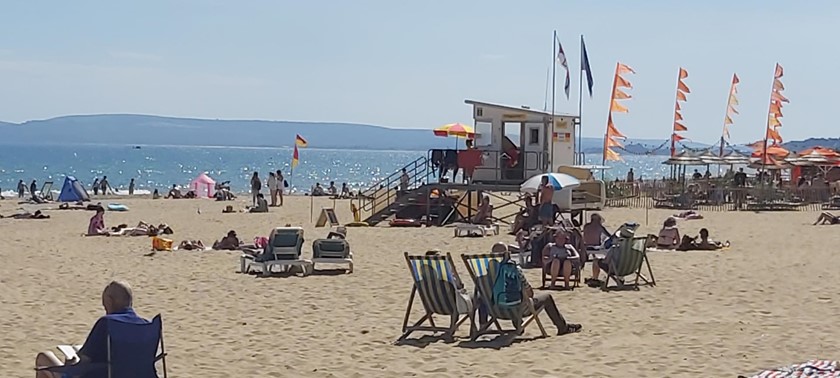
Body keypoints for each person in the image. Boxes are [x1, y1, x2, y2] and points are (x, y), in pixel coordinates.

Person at [35, 281, 152, 378]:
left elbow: (84, 363)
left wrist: (71, 364)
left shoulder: (107, 323)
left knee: (44, 358)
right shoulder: (147, 326)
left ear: (110, 301)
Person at [484, 244, 582, 335]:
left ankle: (484, 326)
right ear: (507, 255)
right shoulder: (514, 270)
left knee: (504, 296)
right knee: (546, 298)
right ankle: (563, 328)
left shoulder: (485, 275)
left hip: (495, 310)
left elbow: (480, 295)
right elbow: (529, 293)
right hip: (519, 310)